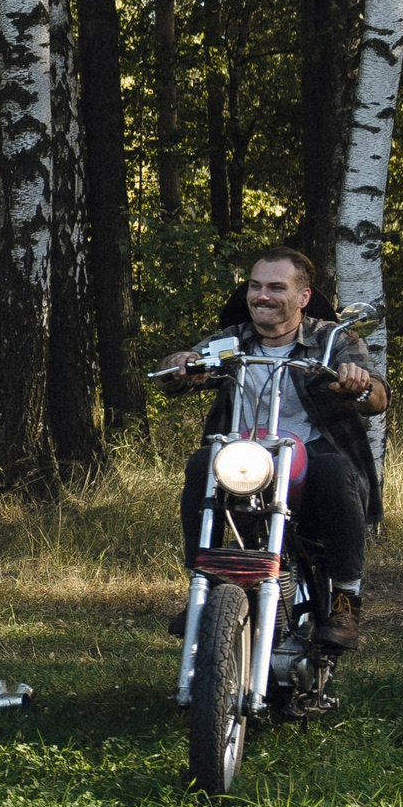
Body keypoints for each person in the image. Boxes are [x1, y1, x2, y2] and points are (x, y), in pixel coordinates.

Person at [158, 245, 385, 648]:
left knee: (335, 469)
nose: (262, 296)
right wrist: (180, 364)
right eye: (255, 286)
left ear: (303, 296)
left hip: (310, 463)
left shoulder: (332, 339)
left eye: (276, 287)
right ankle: (201, 583)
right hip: (246, 460)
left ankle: (346, 600)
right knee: (202, 463)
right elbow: (175, 375)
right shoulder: (233, 341)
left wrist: (359, 383)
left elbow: (378, 398)